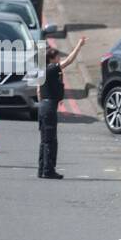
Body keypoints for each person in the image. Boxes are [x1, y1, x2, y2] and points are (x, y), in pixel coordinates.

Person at [37, 35, 86, 179]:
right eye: (58, 57)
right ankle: (48, 170)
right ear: (52, 59)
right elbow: (69, 60)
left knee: (44, 140)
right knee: (51, 141)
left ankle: (42, 169)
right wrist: (79, 45)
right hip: (49, 107)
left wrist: (44, 103)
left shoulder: (43, 70)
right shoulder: (52, 68)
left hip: (43, 106)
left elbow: (38, 90)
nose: (59, 59)